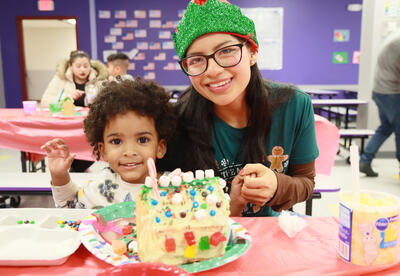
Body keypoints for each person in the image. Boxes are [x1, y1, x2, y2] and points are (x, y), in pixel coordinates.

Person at [157, 0, 319, 217]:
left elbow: (306, 182)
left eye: (226, 51)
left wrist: (277, 186)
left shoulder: (294, 105)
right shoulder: (177, 121)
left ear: (252, 52)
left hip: (269, 235)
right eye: (196, 59)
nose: (213, 70)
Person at [40, 78, 177, 209]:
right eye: (116, 141)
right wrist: (59, 176)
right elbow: (70, 208)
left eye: (142, 140)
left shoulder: (175, 187)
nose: (129, 152)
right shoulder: (101, 186)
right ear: (103, 150)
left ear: (160, 147)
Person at [41, 50, 108, 172]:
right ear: (71, 66)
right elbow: (45, 102)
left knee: (90, 151)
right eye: (78, 66)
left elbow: (108, 101)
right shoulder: (60, 79)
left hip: (90, 127)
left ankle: (78, 168)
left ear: (90, 66)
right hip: (65, 128)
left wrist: (95, 99)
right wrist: (68, 97)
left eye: (86, 66)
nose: (82, 69)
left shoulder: (99, 79)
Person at [360, 33, 400, 177]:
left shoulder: (393, 37)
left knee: (385, 128)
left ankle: (365, 160)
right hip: (392, 93)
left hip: (380, 91)